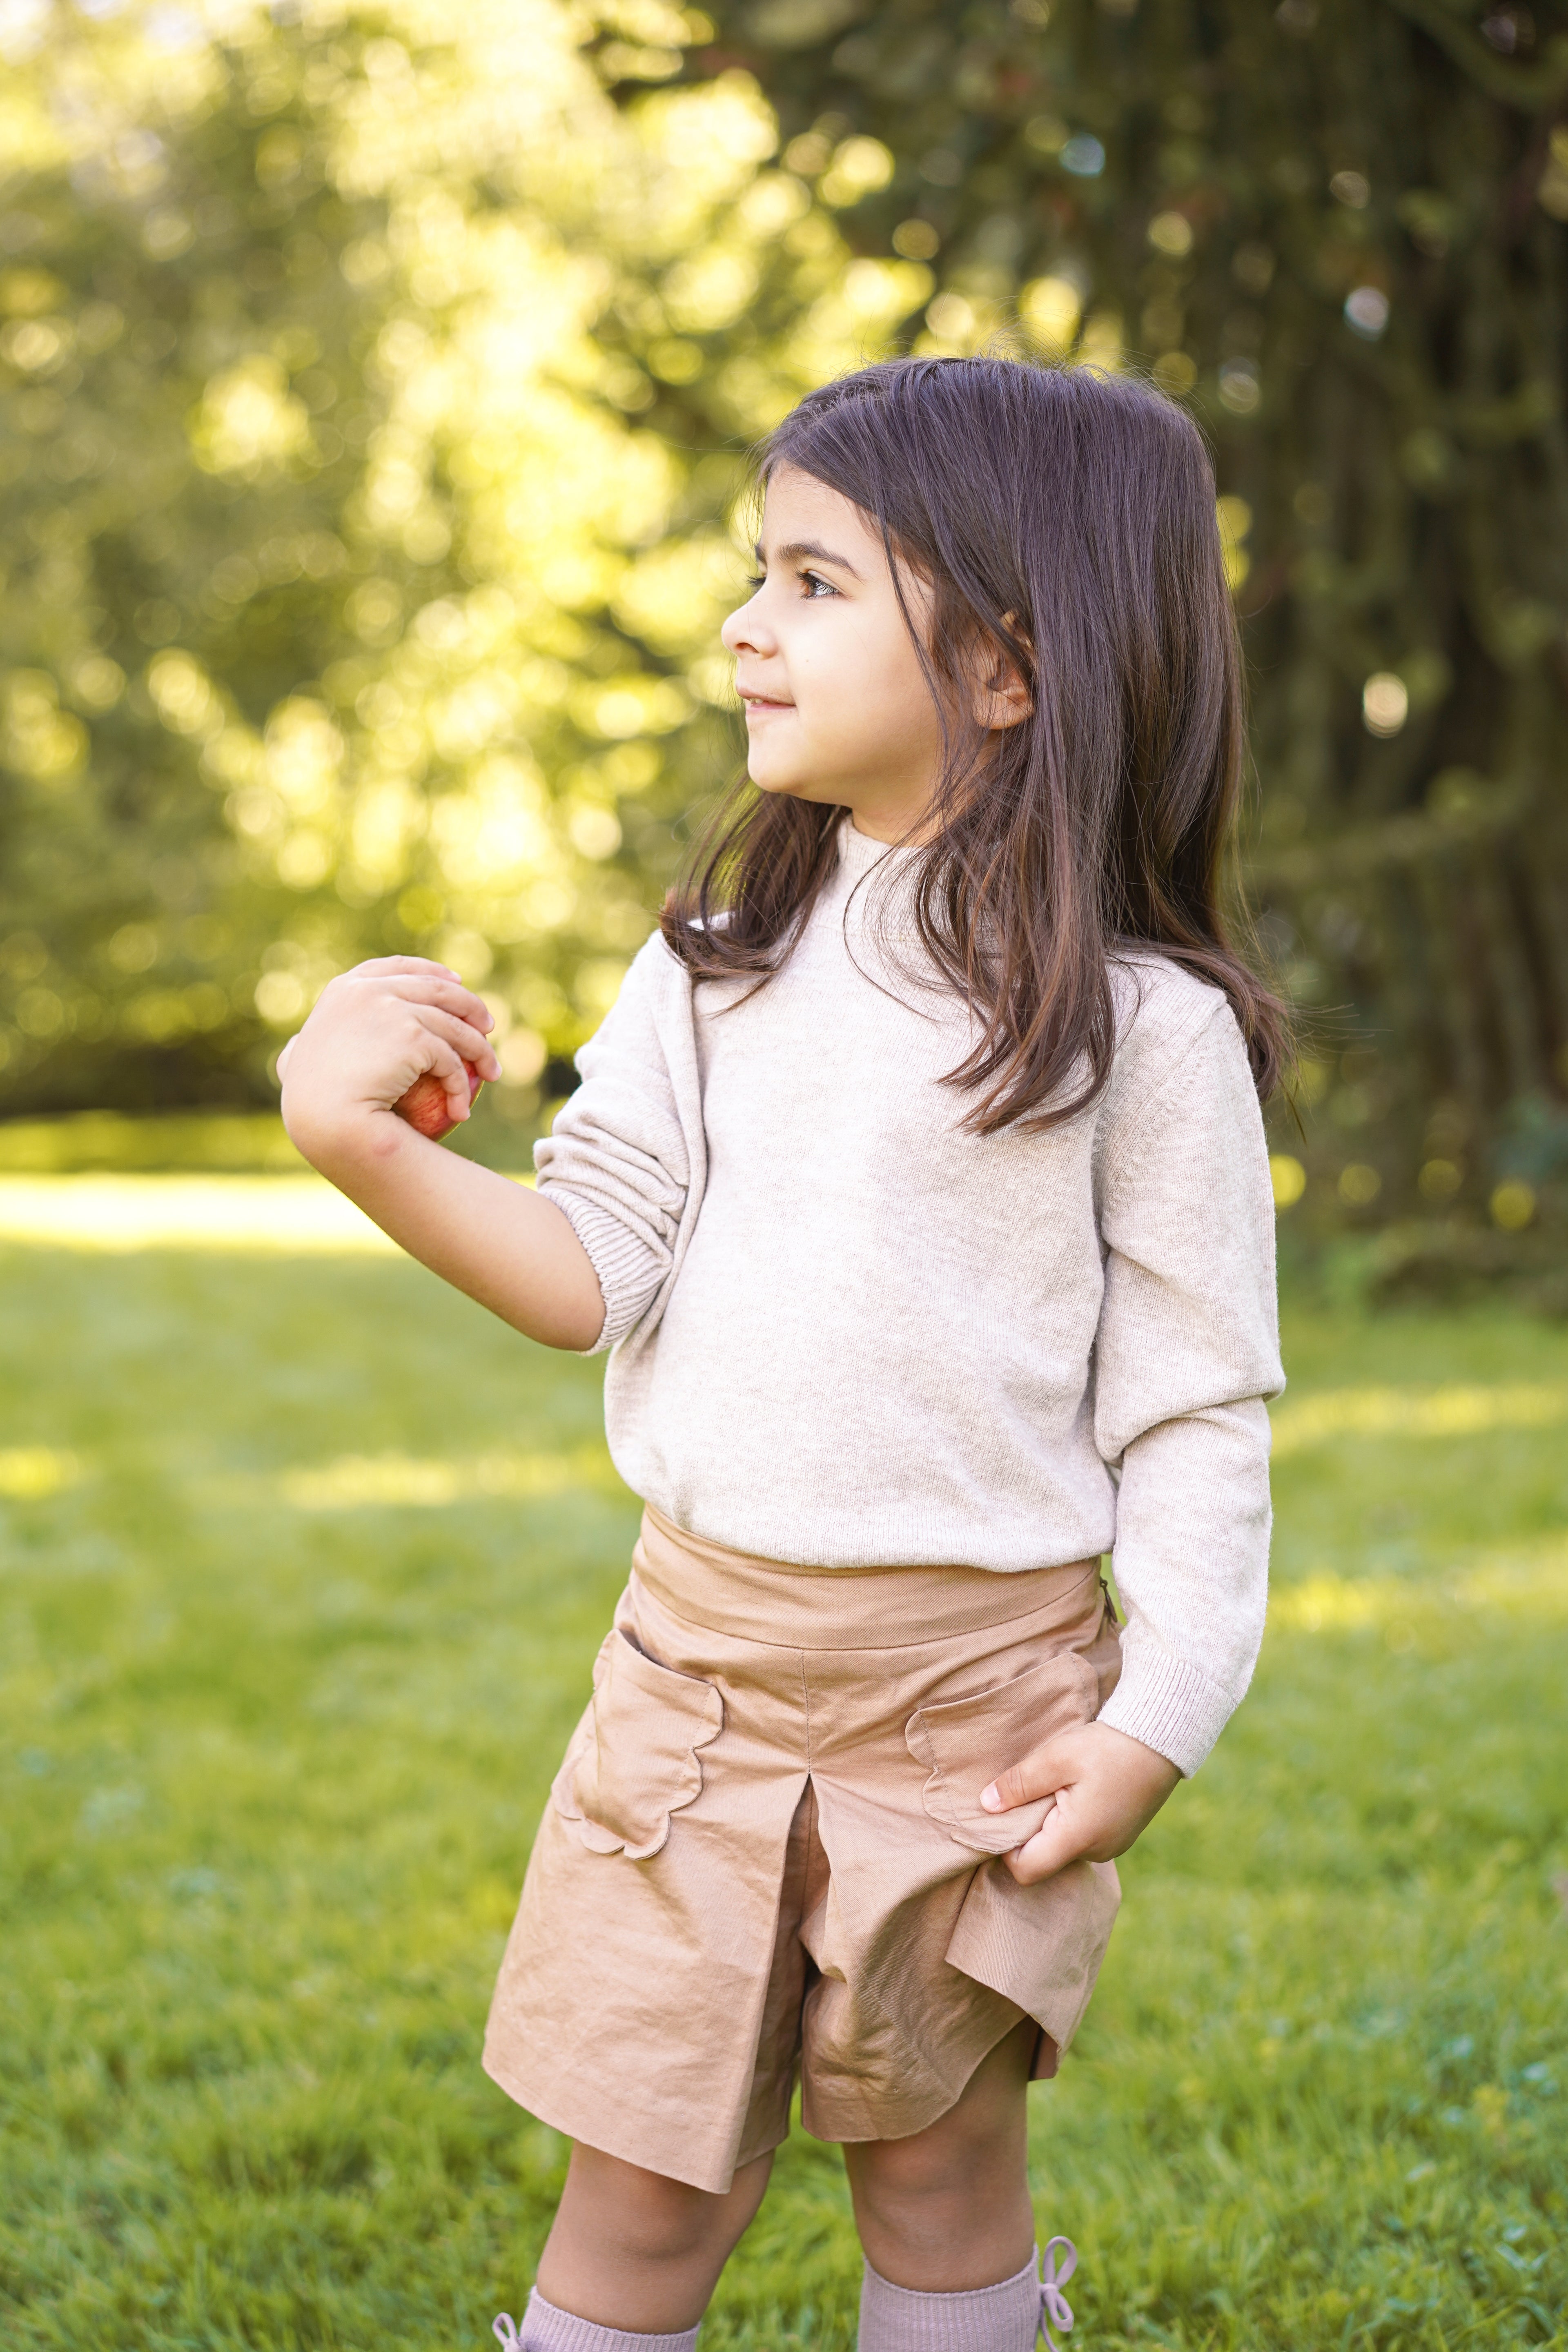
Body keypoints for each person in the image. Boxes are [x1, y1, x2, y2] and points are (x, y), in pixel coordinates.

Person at [279, 356, 1287, 2352]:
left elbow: (1195, 1414)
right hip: (699, 1688)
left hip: (976, 1706)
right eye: (761, 570)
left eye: (816, 581)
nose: (748, 621)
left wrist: (1158, 1713)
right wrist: (357, 1146)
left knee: (937, 2172)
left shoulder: (1143, 1032)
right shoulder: (711, 959)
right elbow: (591, 1270)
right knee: (645, 2188)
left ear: (1009, 667)